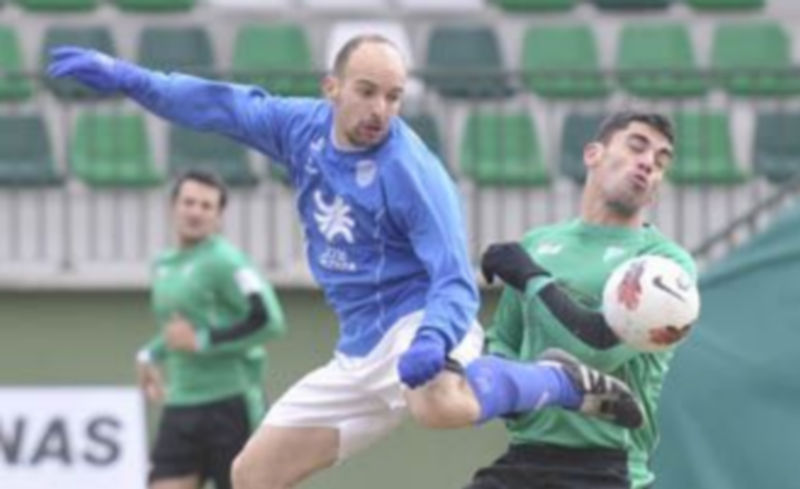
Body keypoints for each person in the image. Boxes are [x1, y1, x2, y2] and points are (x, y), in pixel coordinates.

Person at [49, 36, 642, 489]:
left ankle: (555, 379)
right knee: (250, 475)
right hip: (359, 348)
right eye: (366, 90)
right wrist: (128, 78)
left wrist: (434, 338)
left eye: (394, 96)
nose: (380, 108)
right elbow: (214, 105)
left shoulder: (412, 172)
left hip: (421, 319)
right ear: (332, 87)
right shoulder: (298, 128)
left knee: (438, 407)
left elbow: (453, 279)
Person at [476, 111, 697, 489]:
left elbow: (598, 350)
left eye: (660, 161)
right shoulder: (537, 244)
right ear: (593, 154)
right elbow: (504, 342)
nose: (648, 162)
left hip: (607, 466)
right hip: (525, 454)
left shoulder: (664, 265)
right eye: (637, 146)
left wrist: (532, 278)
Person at [136, 169, 286, 489]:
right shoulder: (163, 264)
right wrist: (150, 353)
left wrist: (204, 341)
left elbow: (268, 320)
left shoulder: (229, 262)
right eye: (189, 202)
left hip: (230, 404)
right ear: (173, 206)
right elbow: (181, 332)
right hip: (181, 402)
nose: (196, 212)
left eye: (207, 206)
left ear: (218, 217)